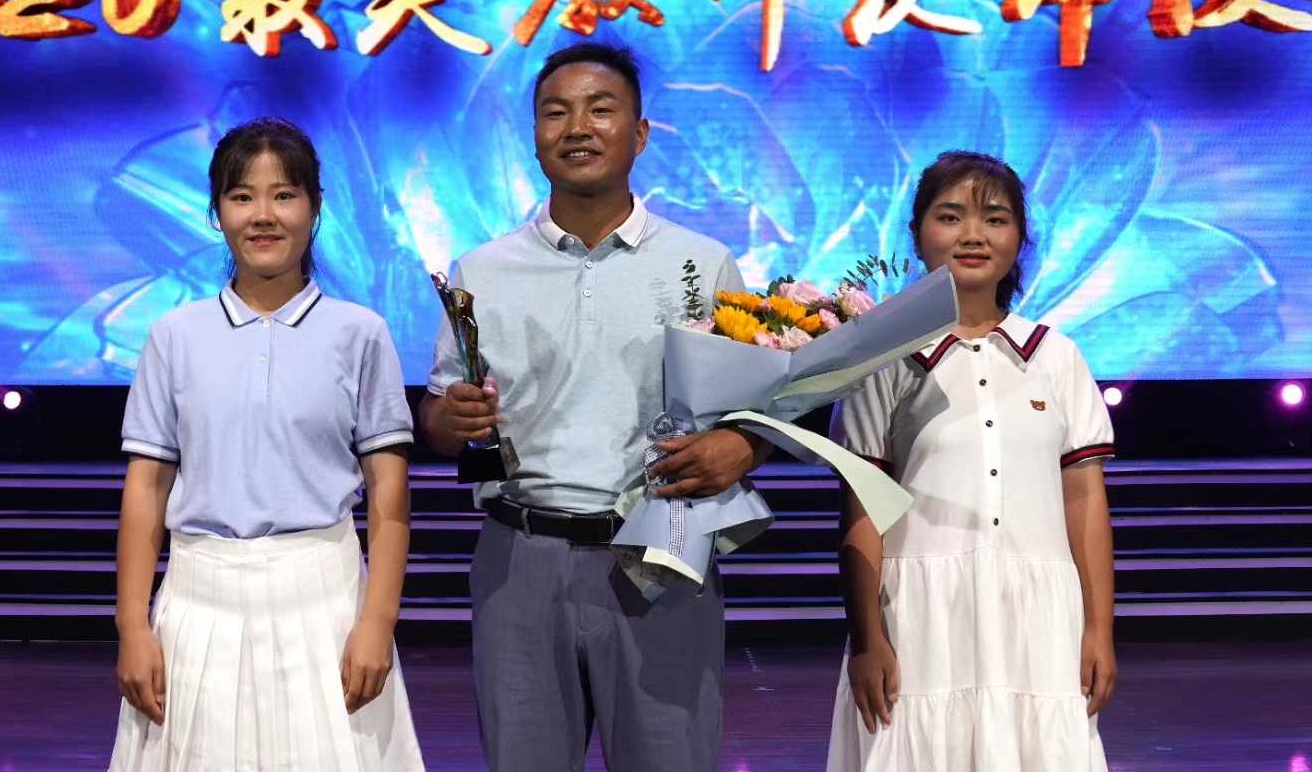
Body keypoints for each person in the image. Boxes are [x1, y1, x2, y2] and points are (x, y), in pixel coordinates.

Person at [421, 41, 769, 772]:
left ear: (639, 135)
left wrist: (744, 447)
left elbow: (750, 415)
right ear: (535, 137)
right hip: (520, 559)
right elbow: (440, 418)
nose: (577, 127)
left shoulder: (703, 261)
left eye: (600, 110)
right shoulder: (481, 268)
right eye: (556, 112)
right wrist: (449, 420)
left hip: (661, 554)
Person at [109, 117, 424, 771]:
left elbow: (389, 494)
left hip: (327, 605)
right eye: (241, 196)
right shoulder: (174, 335)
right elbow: (146, 487)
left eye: (284, 195)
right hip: (198, 605)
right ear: (216, 211)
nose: (263, 215)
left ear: (315, 207)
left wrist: (377, 622)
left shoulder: (360, 332)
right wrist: (132, 626)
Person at [828, 151, 1116, 772]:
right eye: (950, 216)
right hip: (920, 619)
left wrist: (1099, 627)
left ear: (1020, 238)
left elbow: (1085, 497)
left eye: (995, 218)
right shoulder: (883, 357)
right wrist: (868, 637)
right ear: (917, 234)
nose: (973, 235)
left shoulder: (1057, 357)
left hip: (1039, 621)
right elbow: (862, 507)